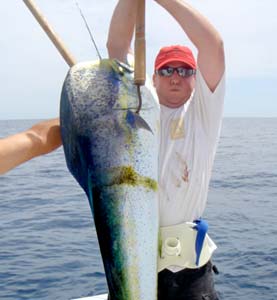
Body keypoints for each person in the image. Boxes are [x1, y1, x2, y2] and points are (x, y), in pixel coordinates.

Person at [107, 0, 225, 299]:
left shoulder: (203, 112)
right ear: (154, 78)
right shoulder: (139, 104)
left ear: (195, 80)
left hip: (190, 276)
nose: (176, 76)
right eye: (167, 69)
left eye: (185, 71)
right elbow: (117, 47)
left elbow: (213, 45)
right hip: (134, 262)